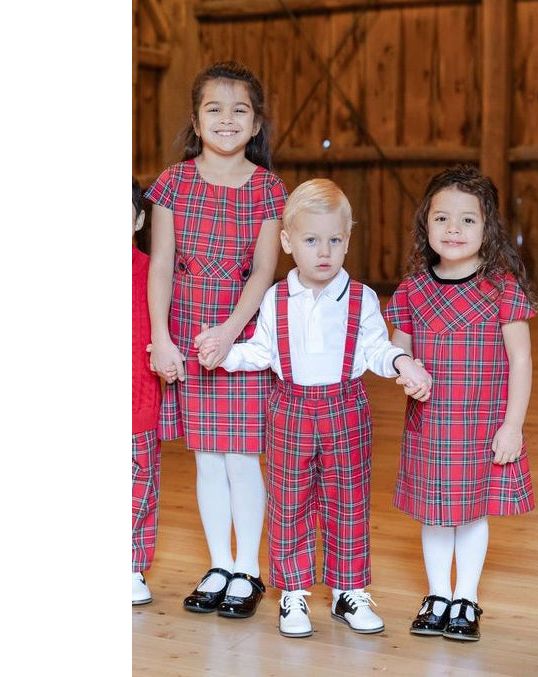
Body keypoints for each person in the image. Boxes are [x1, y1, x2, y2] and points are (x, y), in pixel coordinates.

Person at [220, 178, 432, 638]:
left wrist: (402, 362)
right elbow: (261, 352)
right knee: (289, 502)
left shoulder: (361, 298)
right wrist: (225, 354)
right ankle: (293, 592)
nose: (324, 251)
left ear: (348, 240)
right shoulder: (277, 298)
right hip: (291, 409)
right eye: (312, 240)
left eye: (335, 240)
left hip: (346, 409)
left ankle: (347, 589)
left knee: (348, 502)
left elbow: (376, 349)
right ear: (287, 241)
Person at [144, 61, 287, 618]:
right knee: (206, 457)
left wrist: (229, 333)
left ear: (255, 124)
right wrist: (161, 337)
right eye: (214, 109)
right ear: (196, 119)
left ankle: (248, 569)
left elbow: (262, 272)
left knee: (242, 458)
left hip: (241, 334)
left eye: (240, 110)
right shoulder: (172, 183)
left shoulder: (269, 189)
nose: (227, 119)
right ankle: (218, 563)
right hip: (185, 332)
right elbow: (160, 266)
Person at [384, 165, 538, 642]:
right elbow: (396, 347)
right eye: (442, 218)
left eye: (468, 220)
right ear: (425, 225)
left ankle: (466, 597)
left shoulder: (502, 289)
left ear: (487, 228)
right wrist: (403, 369)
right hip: (430, 423)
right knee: (436, 512)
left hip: (483, 424)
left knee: (472, 512)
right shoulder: (413, 288)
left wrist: (513, 426)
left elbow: (521, 359)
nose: (453, 229)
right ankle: (437, 595)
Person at [132, 178, 162, 605]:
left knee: (138, 489)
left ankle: (131, 566)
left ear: (138, 219)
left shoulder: (151, 271)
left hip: (137, 402)